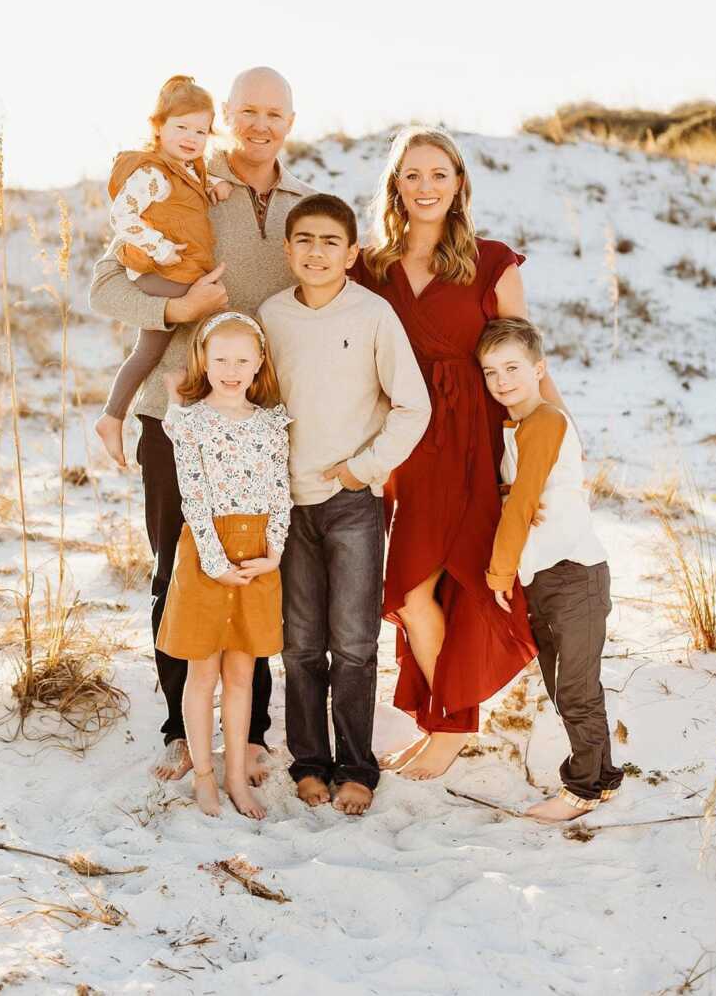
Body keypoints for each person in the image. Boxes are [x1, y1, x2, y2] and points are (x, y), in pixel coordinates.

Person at [89, 67, 310, 783]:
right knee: (176, 569)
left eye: (273, 112)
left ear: (290, 121)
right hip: (174, 417)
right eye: (246, 109)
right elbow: (107, 286)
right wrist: (175, 312)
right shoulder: (180, 181)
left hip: (260, 424)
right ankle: (180, 727)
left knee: (254, 565)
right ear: (227, 117)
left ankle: (249, 733)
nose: (259, 123)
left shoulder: (309, 207)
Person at [350, 127, 560, 779]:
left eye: (439, 174)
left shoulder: (492, 261)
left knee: (442, 583)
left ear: (460, 183)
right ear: (395, 185)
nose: (426, 187)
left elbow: (525, 362)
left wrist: (551, 448)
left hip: (471, 437)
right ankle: (440, 722)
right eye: (412, 175)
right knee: (417, 588)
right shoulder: (370, 267)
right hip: (406, 441)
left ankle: (450, 729)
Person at [259, 193, 431, 815]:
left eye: (331, 242)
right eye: (304, 239)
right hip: (288, 502)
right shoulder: (271, 315)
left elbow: (414, 406)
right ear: (287, 249)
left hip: (351, 502)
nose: (316, 252)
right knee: (301, 644)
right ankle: (309, 762)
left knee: (354, 644)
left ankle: (358, 767)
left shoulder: (373, 314)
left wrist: (363, 470)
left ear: (352, 253)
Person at [476, 316, 623, 821]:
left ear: (539, 369)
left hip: (574, 574)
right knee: (568, 690)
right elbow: (522, 492)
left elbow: (521, 506)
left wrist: (498, 575)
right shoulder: (517, 427)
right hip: (545, 577)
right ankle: (601, 780)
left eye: (513, 367)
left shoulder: (546, 420)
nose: (502, 380)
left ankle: (580, 789)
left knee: (577, 691)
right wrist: (508, 493)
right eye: (490, 371)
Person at [158, 311, 291, 819]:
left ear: (259, 363)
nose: (231, 370)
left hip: (257, 551)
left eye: (242, 359)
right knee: (203, 672)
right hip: (206, 551)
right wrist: (214, 563)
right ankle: (206, 777)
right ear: (204, 363)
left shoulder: (271, 424)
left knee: (242, 671)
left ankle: (237, 775)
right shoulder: (191, 423)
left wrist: (273, 551)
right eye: (220, 360)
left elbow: (281, 493)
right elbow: (192, 497)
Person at [95, 75, 232, 468]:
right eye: (181, 127)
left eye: (200, 130)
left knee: (163, 347)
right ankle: (113, 416)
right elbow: (122, 215)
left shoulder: (184, 168)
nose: (191, 137)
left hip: (179, 276)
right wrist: (161, 248)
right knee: (153, 351)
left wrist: (215, 184)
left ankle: (118, 414)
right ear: (159, 127)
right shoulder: (152, 173)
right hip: (165, 276)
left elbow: (182, 197)